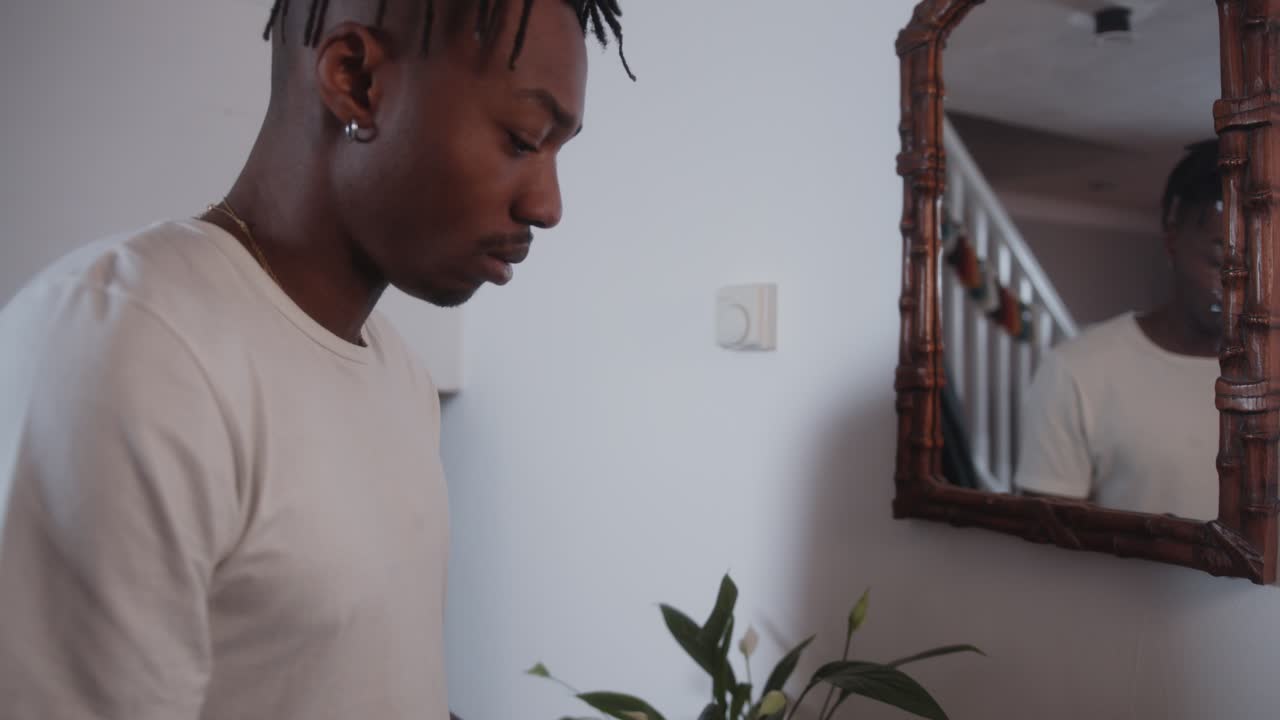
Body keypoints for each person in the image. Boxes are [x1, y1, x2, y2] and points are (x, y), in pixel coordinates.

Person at [0, 2, 631, 718]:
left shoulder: (400, 377)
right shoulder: (129, 347)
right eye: (522, 139)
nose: (547, 206)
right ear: (355, 79)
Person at [1013, 140, 1224, 521]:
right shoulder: (1078, 371)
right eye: (1221, 261)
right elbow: (1044, 554)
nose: (1249, 284)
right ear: (1172, 236)